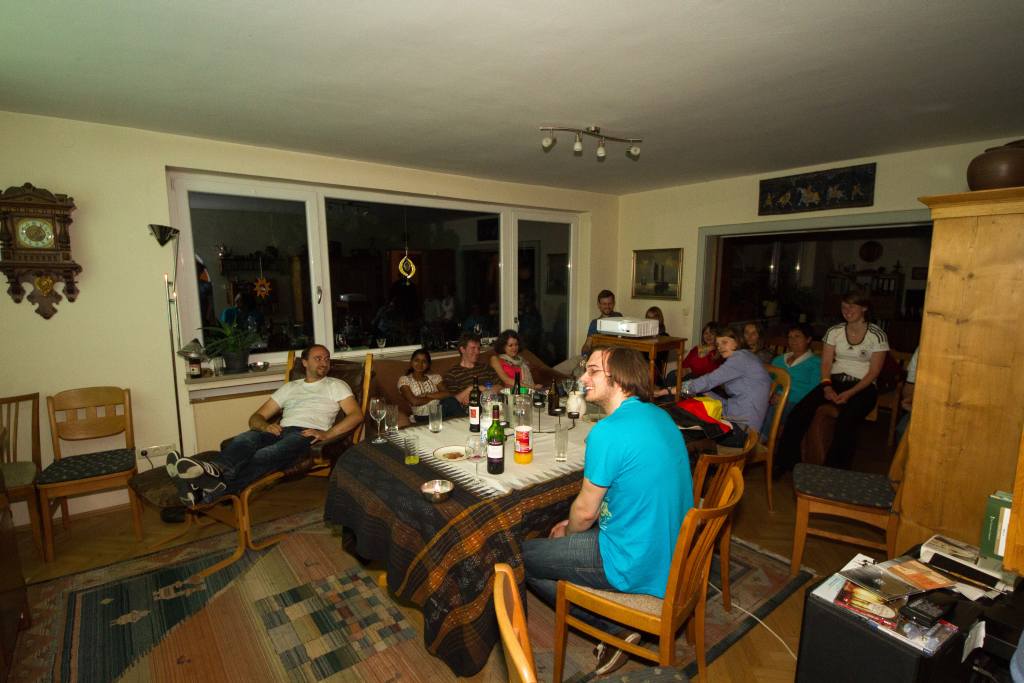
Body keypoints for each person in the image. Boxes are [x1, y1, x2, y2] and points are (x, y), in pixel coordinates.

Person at [523, 347, 693, 676]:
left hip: (632, 559)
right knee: (565, 535)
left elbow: (585, 513)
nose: (582, 378)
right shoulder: (659, 416)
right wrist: (575, 524)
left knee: (521, 556)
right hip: (671, 550)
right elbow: (622, 493)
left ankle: (613, 628)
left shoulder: (608, 432)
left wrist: (568, 532)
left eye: (592, 371)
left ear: (619, 378)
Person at [166, 344, 363, 505]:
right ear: (304, 362)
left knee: (265, 455)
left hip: (305, 434)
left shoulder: (336, 385)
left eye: (327, 359)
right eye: (318, 358)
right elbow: (256, 417)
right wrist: (265, 426)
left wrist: (327, 434)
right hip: (279, 429)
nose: (324, 362)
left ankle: (206, 489)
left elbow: (356, 415)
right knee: (243, 440)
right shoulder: (290, 387)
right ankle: (213, 472)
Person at [774, 290, 889, 476]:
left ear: (864, 308)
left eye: (852, 306)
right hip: (833, 381)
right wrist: (827, 386)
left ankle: (834, 473)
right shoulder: (834, 332)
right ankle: (786, 463)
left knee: (846, 422)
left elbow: (874, 371)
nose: (847, 310)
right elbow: (826, 363)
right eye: (844, 306)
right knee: (798, 413)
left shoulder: (877, 335)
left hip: (863, 387)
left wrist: (850, 393)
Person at [676, 325, 772, 446]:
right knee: (693, 410)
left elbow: (709, 380)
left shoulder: (740, 358)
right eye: (718, 344)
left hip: (742, 432)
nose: (720, 347)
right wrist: (703, 392)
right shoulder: (746, 356)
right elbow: (729, 400)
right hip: (736, 419)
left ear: (737, 342)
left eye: (724, 342)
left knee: (685, 432)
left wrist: (672, 390)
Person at [768, 324, 822, 427]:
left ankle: (759, 436)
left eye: (797, 336)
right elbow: (769, 381)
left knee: (776, 408)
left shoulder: (816, 363)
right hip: (775, 398)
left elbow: (814, 391)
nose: (793, 340)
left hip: (797, 403)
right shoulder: (778, 360)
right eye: (790, 337)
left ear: (808, 339)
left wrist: (784, 397)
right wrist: (771, 395)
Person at [440, 332, 500, 416]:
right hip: (465, 413)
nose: (477, 352)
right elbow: (453, 402)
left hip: (489, 408)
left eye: (478, 348)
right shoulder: (452, 374)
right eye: (473, 348)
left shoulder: (486, 368)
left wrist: (476, 389)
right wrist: (470, 389)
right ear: (462, 349)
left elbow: (500, 388)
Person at [398, 348, 454, 422]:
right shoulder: (405, 380)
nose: (420, 364)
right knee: (451, 403)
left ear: (428, 364)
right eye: (417, 360)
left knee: (450, 401)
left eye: (424, 361)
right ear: (411, 362)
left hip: (440, 411)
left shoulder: (435, 378)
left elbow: (447, 394)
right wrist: (437, 397)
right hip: (422, 416)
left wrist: (427, 395)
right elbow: (414, 401)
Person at [666, 320, 722, 387]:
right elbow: (684, 363)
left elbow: (708, 370)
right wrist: (684, 370)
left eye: (712, 334)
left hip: (705, 379)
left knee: (673, 377)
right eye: (706, 333)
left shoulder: (718, 352)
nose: (708, 336)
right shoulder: (696, 348)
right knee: (672, 375)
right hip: (690, 375)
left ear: (717, 336)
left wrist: (689, 370)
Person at [894, 346, 919, 443]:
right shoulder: (923, 348)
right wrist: (910, 400)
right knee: (902, 430)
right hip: (922, 405)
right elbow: (909, 388)